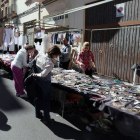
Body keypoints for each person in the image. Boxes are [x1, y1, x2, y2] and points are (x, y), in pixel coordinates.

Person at [33, 45, 61, 124]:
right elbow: (43, 74)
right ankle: (46, 118)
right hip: (45, 82)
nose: (56, 57)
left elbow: (35, 60)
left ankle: (37, 113)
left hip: (38, 81)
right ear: (53, 53)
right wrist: (36, 74)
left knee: (38, 97)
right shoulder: (49, 62)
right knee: (46, 100)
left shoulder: (41, 54)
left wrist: (38, 74)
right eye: (56, 55)